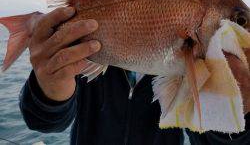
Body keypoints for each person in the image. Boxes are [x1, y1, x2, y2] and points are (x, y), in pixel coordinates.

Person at [19, 7, 250, 145]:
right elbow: (44, 123)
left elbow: (211, 141)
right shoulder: (84, 55)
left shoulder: (196, 65)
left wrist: (237, 108)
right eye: (241, 21)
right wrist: (49, 89)